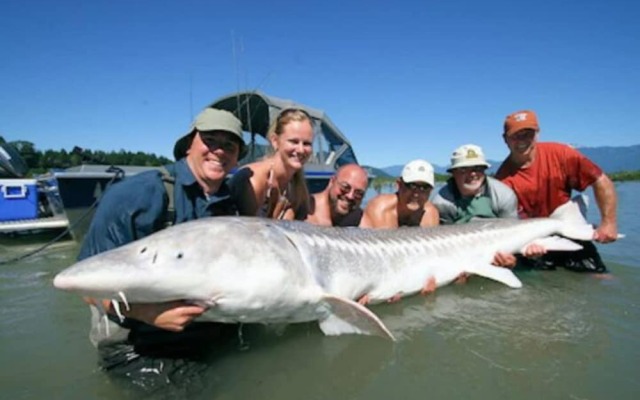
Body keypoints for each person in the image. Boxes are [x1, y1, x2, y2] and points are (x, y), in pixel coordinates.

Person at [77, 108, 246, 391]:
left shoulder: (229, 204)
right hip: (141, 347)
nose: (219, 150)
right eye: (210, 140)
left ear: (238, 155)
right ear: (188, 144)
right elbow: (88, 288)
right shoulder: (137, 194)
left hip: (211, 338)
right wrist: (148, 313)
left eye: (229, 145)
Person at [495, 109, 618, 272]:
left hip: (566, 220)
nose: (522, 140)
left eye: (528, 134)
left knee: (600, 277)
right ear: (506, 139)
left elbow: (601, 180)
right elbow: (512, 223)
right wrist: (527, 246)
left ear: (537, 134)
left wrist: (608, 223)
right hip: (533, 234)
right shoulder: (501, 182)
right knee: (541, 283)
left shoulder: (561, 153)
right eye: (516, 136)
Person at [432, 144, 520, 268]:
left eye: (478, 168)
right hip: (462, 252)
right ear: (453, 173)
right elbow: (445, 247)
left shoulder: (503, 194)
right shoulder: (442, 201)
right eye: (464, 169)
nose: (473, 174)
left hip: (498, 248)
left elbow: (514, 234)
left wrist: (511, 258)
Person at [230, 108, 313, 220]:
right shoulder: (254, 181)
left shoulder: (295, 187)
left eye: (307, 143)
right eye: (294, 141)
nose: (301, 150)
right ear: (275, 141)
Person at [360, 159, 439, 228]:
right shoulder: (380, 208)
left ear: (431, 190)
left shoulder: (430, 214)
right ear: (399, 184)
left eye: (424, 188)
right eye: (412, 186)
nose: (416, 194)